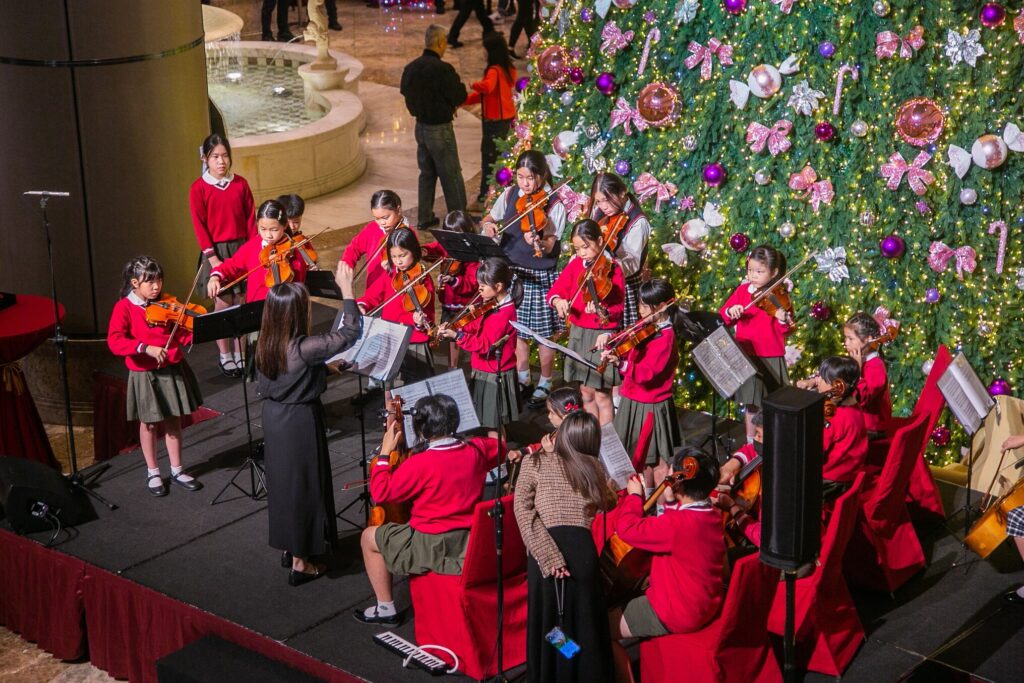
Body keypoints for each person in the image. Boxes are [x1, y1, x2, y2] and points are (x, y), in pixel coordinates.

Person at [355, 394, 501, 624]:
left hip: (431, 543)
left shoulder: (419, 464)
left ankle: (385, 608)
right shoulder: (477, 450)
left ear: (421, 430)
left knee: (368, 538)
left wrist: (384, 454)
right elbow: (499, 445)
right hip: (469, 539)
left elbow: (381, 492)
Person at [255, 280, 361, 585]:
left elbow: (284, 375)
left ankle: (293, 547)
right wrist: (348, 293)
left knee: (286, 487)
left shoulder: (266, 341)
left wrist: (325, 370)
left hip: (275, 419)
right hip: (299, 421)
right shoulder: (305, 347)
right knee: (304, 487)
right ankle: (302, 563)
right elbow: (350, 333)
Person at [514, 410, 616, 682]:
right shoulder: (594, 467)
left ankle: (556, 674)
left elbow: (522, 511)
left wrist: (549, 557)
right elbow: (611, 501)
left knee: (552, 625)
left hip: (547, 550)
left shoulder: (534, 462)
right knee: (582, 623)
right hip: (582, 554)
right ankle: (581, 673)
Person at [609, 448, 724, 683]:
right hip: (702, 601)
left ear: (678, 483)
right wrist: (670, 503)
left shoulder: (678, 526)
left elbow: (627, 528)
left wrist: (633, 496)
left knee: (597, 626)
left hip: (676, 611)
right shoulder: (709, 513)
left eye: (671, 473)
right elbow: (678, 532)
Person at [107, 256, 203, 497]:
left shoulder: (166, 304)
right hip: (144, 372)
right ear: (134, 283)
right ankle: (153, 471)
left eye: (159, 280)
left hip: (170, 367)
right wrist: (144, 347)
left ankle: (177, 469)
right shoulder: (124, 307)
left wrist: (197, 332)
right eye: (149, 282)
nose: (156, 287)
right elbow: (115, 341)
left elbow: (180, 332)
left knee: (173, 421)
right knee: (148, 423)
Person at [481, 150, 567, 404]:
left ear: (541, 177)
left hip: (539, 274)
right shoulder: (509, 194)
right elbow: (490, 217)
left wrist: (541, 242)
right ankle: (522, 376)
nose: (525, 183)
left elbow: (552, 245)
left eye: (530, 178)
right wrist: (488, 226)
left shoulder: (554, 204)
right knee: (518, 332)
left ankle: (546, 380)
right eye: (520, 177)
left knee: (542, 334)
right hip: (512, 273)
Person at [603, 279, 684, 487]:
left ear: (662, 306)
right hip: (633, 398)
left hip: (650, 404)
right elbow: (629, 345)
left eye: (644, 306)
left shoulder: (665, 338)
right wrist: (610, 338)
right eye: (639, 304)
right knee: (631, 455)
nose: (639, 310)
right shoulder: (648, 328)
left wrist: (621, 365)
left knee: (649, 460)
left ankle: (649, 500)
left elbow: (648, 374)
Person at [189, 134, 256, 377]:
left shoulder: (240, 184)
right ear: (205, 159)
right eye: (215, 157)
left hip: (242, 249)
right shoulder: (198, 188)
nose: (221, 161)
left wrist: (252, 251)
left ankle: (240, 352)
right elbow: (199, 225)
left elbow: (250, 220)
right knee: (223, 302)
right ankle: (224, 354)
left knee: (241, 302)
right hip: (216, 251)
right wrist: (213, 259)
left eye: (225, 156)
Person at [548, 220, 625, 425]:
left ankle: (608, 444)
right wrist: (558, 301)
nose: (582, 253)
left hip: (601, 335)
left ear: (600, 241)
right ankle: (593, 437)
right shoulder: (575, 265)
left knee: (602, 395)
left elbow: (619, 309)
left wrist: (604, 311)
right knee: (585, 393)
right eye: (577, 248)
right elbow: (555, 290)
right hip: (579, 332)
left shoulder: (613, 269)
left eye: (586, 247)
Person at [719, 244, 793, 441]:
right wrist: (731, 311)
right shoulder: (743, 291)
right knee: (751, 405)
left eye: (759, 271)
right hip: (747, 354)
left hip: (771, 355)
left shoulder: (779, 294)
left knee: (773, 403)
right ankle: (751, 443)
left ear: (774, 272)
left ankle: (771, 441)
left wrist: (780, 318)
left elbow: (788, 329)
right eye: (750, 270)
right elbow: (723, 316)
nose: (753, 275)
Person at [438, 257, 521, 428]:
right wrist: (459, 328)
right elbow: (476, 325)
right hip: (483, 369)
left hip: (493, 372)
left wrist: (457, 337)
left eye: (483, 286)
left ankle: (500, 453)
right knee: (488, 423)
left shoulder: (504, 313)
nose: (479, 289)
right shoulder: (491, 304)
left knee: (493, 427)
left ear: (498, 287)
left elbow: (484, 345)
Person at [401, 26, 469, 230]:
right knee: (451, 174)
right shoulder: (443, 70)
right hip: (439, 129)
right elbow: (459, 95)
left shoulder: (411, 68)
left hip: (420, 128)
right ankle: (459, 220)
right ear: (440, 43)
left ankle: (424, 217)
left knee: (427, 173)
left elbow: (406, 94)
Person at [348, 227, 437, 384]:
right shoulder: (389, 273)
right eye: (394, 257)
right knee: (391, 387)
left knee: (416, 386)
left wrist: (418, 321)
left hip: (414, 340)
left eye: (403, 255)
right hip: (391, 336)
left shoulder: (423, 278)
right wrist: (363, 305)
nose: (398, 261)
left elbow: (428, 313)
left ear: (414, 251)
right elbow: (373, 295)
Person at [796, 311, 893, 440]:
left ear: (869, 339)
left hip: (871, 427)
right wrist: (813, 381)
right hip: (855, 418)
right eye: (845, 338)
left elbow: (862, 399)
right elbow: (836, 375)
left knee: (825, 432)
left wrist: (857, 371)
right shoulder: (856, 357)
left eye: (850, 338)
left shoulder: (876, 368)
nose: (846, 343)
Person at [207, 199, 309, 304]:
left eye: (274, 230)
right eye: (263, 229)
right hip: (255, 306)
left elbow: (299, 287)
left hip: (284, 309)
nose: (268, 235)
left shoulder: (292, 253)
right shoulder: (253, 245)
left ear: (285, 226)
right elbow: (232, 265)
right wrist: (215, 277)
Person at [589, 172, 652, 331]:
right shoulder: (599, 212)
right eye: (599, 201)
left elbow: (631, 265)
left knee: (619, 338)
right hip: (600, 282)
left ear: (622, 192)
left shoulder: (638, 222)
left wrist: (606, 255)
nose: (603, 206)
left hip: (624, 287)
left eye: (607, 200)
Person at [463, 33, 517, 209]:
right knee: (501, 158)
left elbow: (487, 87)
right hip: (507, 119)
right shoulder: (507, 69)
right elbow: (487, 95)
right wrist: (464, 100)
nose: (483, 53)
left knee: (489, 160)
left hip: (494, 123)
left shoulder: (493, 71)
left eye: (485, 50)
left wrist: (473, 84)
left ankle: (483, 198)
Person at [435, 210, 480, 368]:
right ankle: (452, 367)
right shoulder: (447, 250)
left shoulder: (473, 254)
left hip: (466, 305)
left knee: (470, 336)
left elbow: (472, 283)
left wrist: (454, 280)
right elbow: (434, 248)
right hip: (449, 302)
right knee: (450, 338)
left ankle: (475, 367)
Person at [507, 386, 584, 462]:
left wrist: (551, 453)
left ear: (566, 417)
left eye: (552, 413)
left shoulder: (575, 439)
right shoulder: (560, 432)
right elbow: (541, 447)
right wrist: (522, 452)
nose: (549, 416)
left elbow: (570, 466)